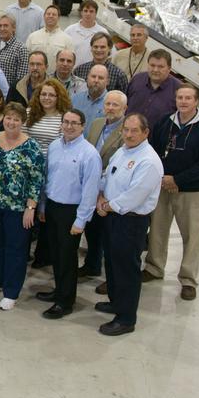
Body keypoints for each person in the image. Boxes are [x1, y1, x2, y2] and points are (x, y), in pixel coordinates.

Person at [143, 85, 199, 301]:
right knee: (157, 229)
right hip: (162, 187)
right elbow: (153, 153)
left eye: (188, 98)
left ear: (196, 101)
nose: (183, 101)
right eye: (180, 97)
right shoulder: (164, 123)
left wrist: (177, 180)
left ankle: (188, 279)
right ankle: (154, 267)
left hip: (192, 191)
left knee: (192, 235)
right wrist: (163, 179)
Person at [95, 113, 163, 336]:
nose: (129, 134)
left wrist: (106, 206)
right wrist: (101, 196)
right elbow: (107, 175)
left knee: (127, 270)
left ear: (146, 133)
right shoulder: (123, 151)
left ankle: (126, 318)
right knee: (113, 265)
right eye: (126, 130)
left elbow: (135, 196)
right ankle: (116, 303)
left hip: (130, 221)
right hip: (111, 215)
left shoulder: (149, 161)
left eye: (135, 131)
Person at [36, 109, 102, 320]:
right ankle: (58, 290)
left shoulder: (89, 153)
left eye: (74, 123)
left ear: (83, 126)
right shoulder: (55, 146)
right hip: (53, 207)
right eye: (66, 122)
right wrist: (43, 207)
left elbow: (91, 190)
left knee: (67, 257)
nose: (69, 126)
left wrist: (81, 220)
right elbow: (48, 178)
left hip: (71, 211)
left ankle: (65, 302)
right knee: (55, 254)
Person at [0, 103, 45, 310]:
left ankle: (11, 291)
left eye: (16, 119)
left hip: (18, 208)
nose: (11, 122)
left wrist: (31, 208)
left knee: (15, 249)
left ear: (22, 122)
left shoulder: (31, 147)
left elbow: (37, 179)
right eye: (8, 118)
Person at [83, 90, 127, 284]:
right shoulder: (96, 124)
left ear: (124, 108)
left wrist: (102, 190)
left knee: (110, 238)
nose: (110, 108)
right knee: (92, 230)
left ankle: (111, 280)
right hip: (91, 187)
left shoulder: (127, 131)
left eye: (115, 105)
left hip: (111, 191)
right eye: (108, 104)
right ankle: (91, 265)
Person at [126, 49, 181, 123]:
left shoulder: (179, 89)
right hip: (128, 132)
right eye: (152, 65)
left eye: (160, 67)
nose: (155, 70)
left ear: (169, 69)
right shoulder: (137, 80)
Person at [27, 80, 71, 153]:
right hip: (29, 158)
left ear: (59, 97)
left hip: (53, 159)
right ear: (38, 96)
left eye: (51, 95)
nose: (47, 98)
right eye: (43, 94)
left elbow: (65, 144)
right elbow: (22, 137)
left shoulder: (64, 117)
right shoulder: (29, 113)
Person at [0, 15, 28, 90]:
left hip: (9, 93)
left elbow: (21, 79)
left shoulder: (21, 48)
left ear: (13, 28)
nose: (2, 29)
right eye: (0, 26)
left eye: (6, 26)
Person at [64, 0, 104, 65]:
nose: (88, 14)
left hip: (95, 72)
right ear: (81, 12)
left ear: (96, 13)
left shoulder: (103, 32)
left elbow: (110, 55)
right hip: (73, 71)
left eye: (91, 11)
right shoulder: (69, 31)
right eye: (85, 11)